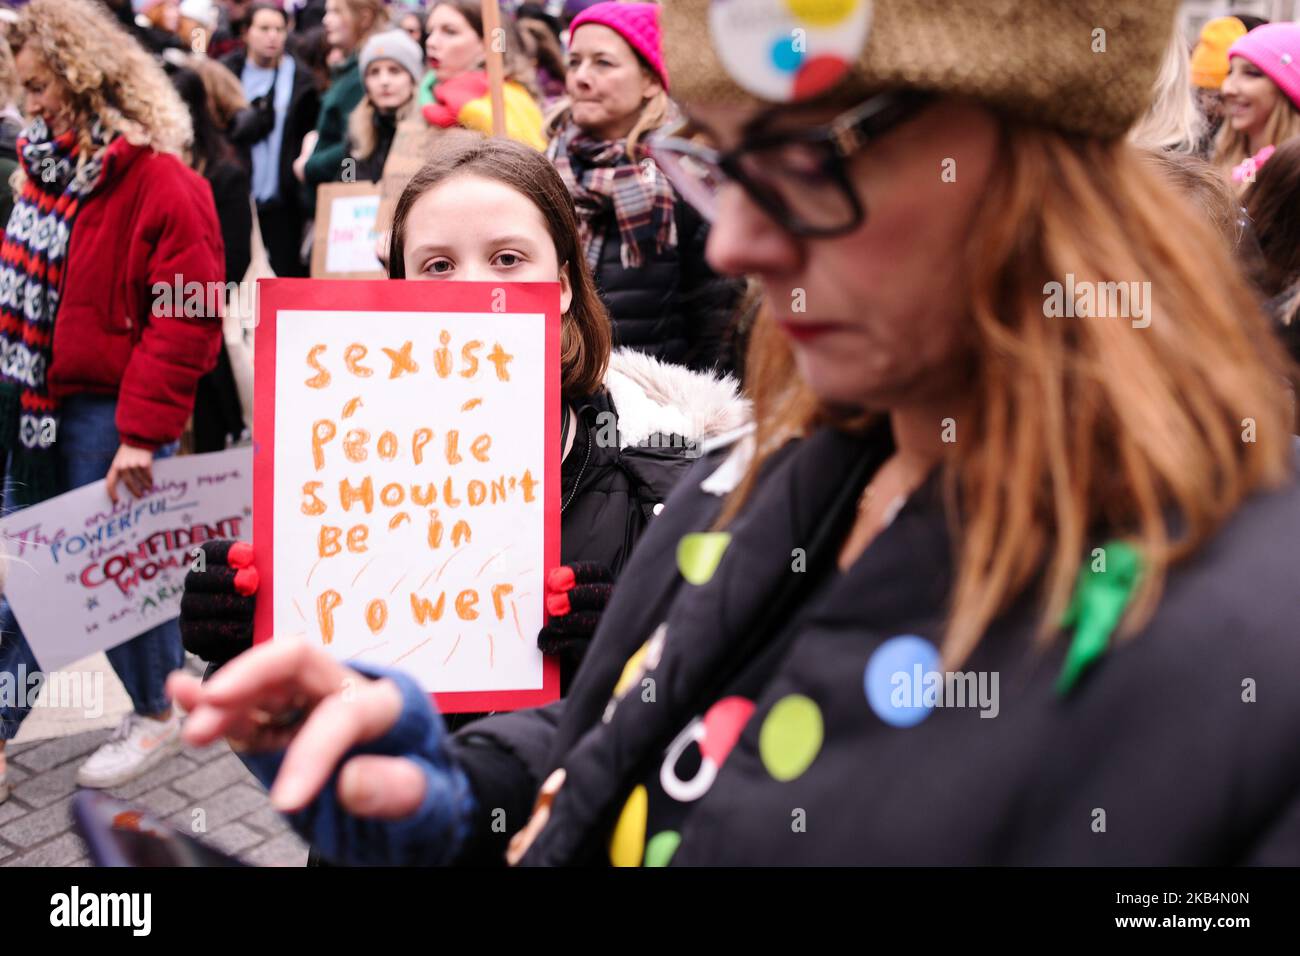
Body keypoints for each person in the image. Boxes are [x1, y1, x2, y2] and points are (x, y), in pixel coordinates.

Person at [170, 0, 1300, 867]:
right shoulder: (757, 474)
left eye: (806, 162)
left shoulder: (1249, 650)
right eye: (717, 165)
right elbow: (649, 736)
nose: (732, 246)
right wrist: (444, 789)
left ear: (1030, 169)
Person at [180, 131, 748, 688]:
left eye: (507, 258)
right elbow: (310, 742)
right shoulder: (337, 473)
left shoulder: (666, 481)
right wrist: (247, 648)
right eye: (438, 266)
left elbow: (709, 698)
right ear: (397, 289)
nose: (476, 289)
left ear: (563, 285)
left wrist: (622, 651)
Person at [0, 0, 224, 799]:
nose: (30, 103)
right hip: (36, 405)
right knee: (56, 574)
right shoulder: (47, 165)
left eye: (39, 84)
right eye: (22, 88)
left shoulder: (163, 181)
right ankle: (151, 706)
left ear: (85, 75)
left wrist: (143, 432)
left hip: (108, 416)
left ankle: (151, 710)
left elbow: (190, 315)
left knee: (93, 576)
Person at [547, 2, 741, 372]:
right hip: (565, 398)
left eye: (603, 63)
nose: (581, 78)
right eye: (574, 62)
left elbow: (717, 323)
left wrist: (698, 416)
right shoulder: (543, 170)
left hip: (660, 409)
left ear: (651, 80)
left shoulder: (687, 180)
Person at [167, 63, 250, 454]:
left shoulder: (224, 172)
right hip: (162, 321)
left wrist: (182, 301)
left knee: (206, 436)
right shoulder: (148, 168)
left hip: (204, 320)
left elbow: (236, 257)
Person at [224, 1, 321, 277]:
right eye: (264, 28)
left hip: (284, 202)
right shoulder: (226, 73)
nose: (273, 36)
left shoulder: (302, 79)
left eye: (279, 29)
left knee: (283, 279)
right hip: (240, 199)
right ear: (246, 32)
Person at [419, 0, 546, 149]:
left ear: (486, 45)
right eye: (430, 32)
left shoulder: (506, 99)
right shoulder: (427, 92)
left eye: (450, 31)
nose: (431, 42)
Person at [294, 0, 385, 198]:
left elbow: (354, 149)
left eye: (336, 12)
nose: (326, 20)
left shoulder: (361, 74)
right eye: (327, 12)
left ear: (364, 18)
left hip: (341, 204)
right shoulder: (350, 69)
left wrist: (310, 167)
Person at [1214, 21, 1300, 186]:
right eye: (1230, 72)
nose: (1227, 88)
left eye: (1251, 73)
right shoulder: (1227, 162)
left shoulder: (1293, 182)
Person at [344, 28, 427, 184]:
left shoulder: (430, 128)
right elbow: (347, 180)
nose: (384, 81)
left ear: (412, 79)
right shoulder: (355, 131)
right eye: (374, 72)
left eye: (394, 71)